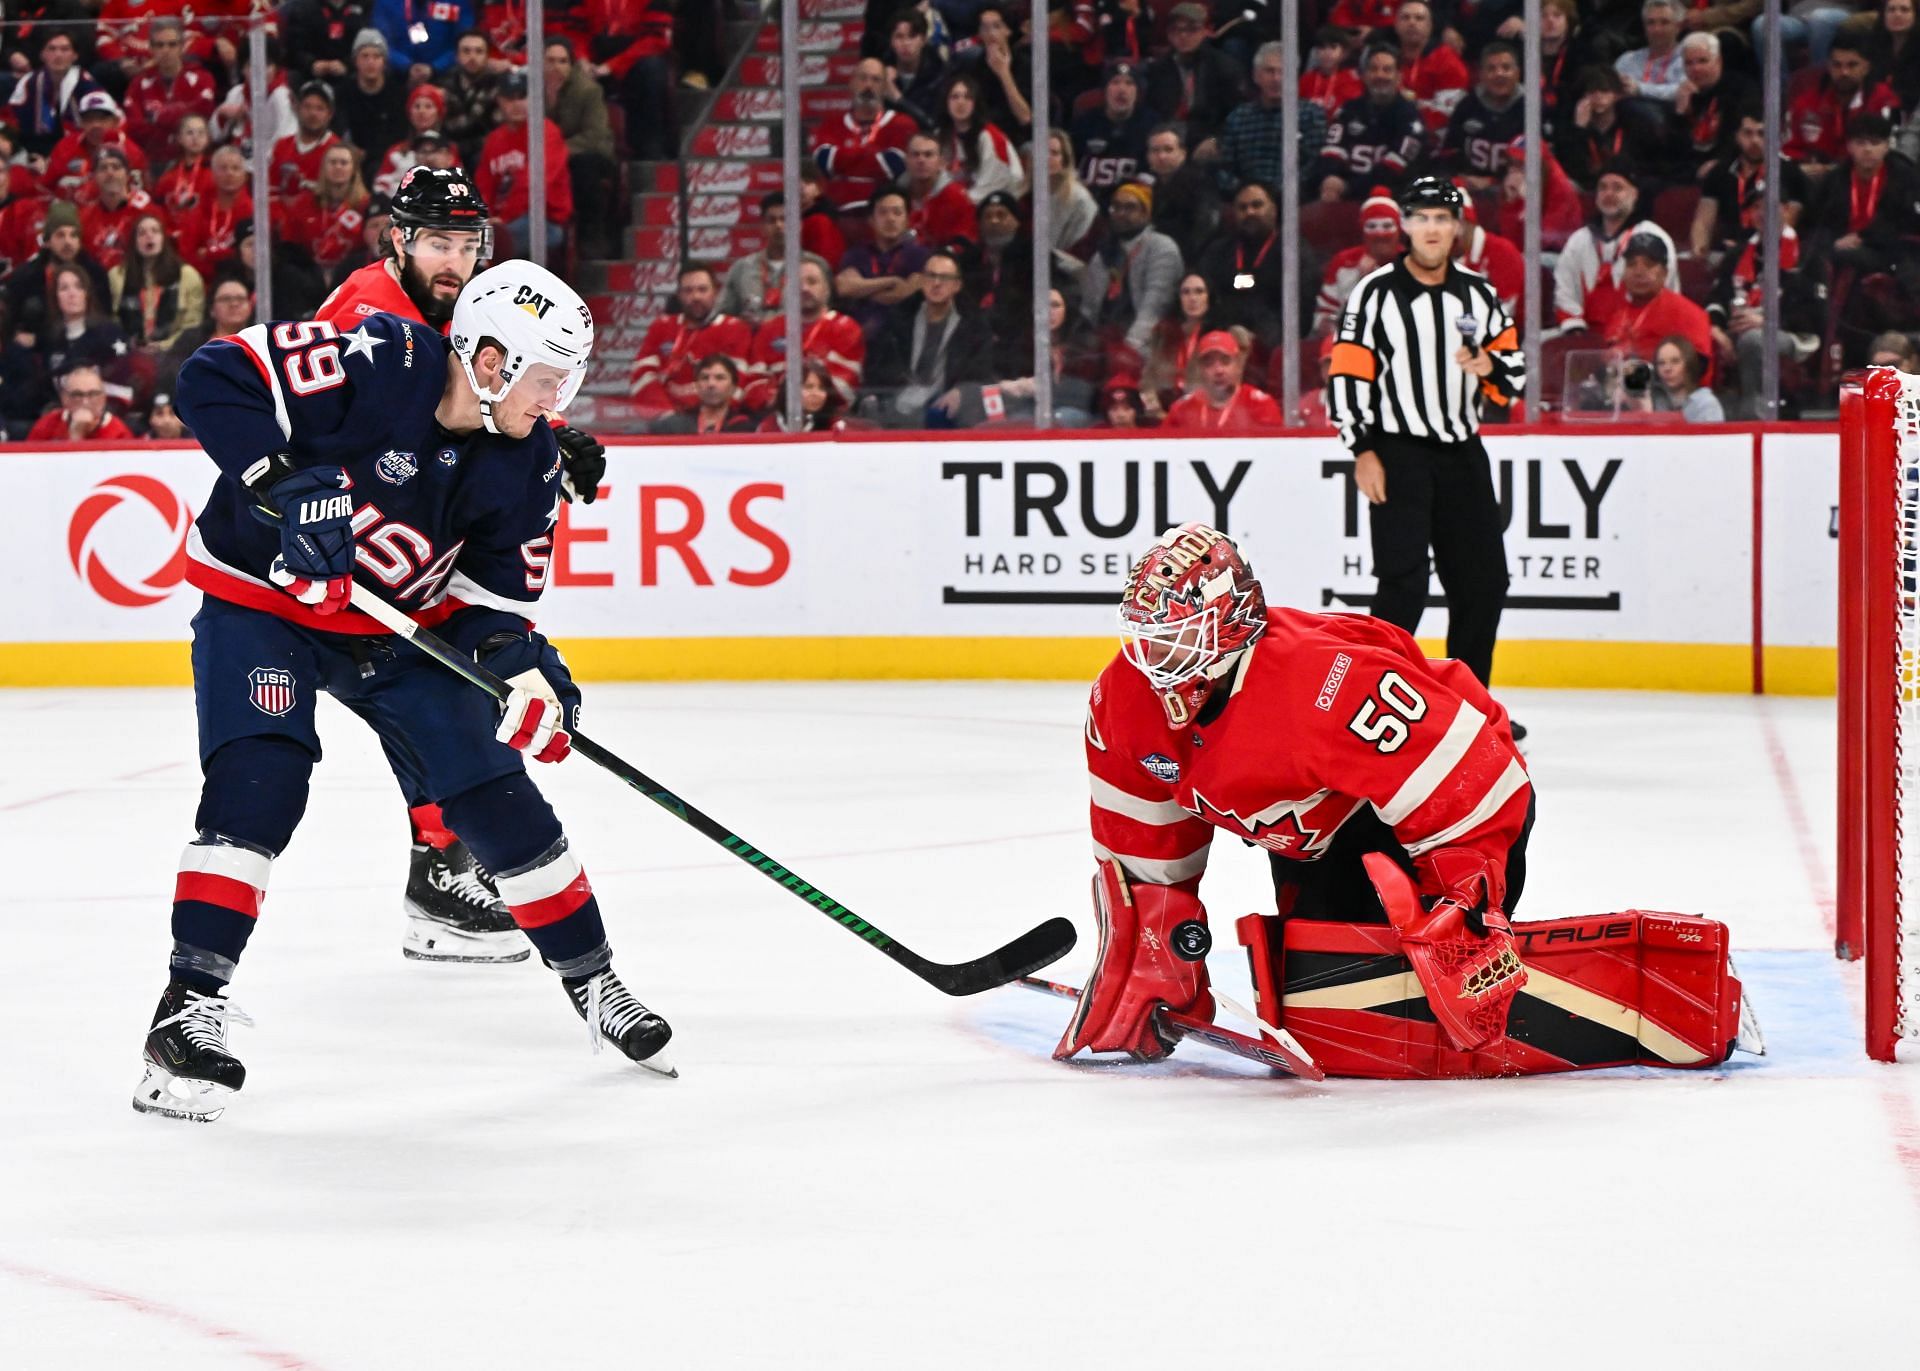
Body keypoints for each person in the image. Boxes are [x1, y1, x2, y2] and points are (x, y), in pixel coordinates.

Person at [130, 258, 671, 1124]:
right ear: (489, 362)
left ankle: (596, 984)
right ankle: (185, 1012)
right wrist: (276, 480)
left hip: (394, 628)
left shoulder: (528, 464)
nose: (558, 397)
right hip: (265, 601)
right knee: (262, 778)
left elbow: (488, 608)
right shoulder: (377, 359)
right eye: (547, 376)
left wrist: (519, 666)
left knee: (497, 792)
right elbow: (215, 373)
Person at [1060, 522, 1748, 1075]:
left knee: (1422, 978)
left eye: (1178, 638)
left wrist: (1466, 899)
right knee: (1323, 997)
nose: (1156, 660)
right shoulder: (1124, 700)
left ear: (1233, 626)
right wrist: (1153, 933)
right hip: (1316, 839)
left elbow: (1477, 776)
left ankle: (1489, 940)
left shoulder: (1323, 684)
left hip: (1443, 818)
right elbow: (1139, 843)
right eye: (1149, 638)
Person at [316, 165, 608, 959]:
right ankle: (442, 872)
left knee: (453, 684)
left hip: (407, 544)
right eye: (438, 241)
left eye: (468, 242)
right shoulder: (367, 311)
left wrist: (547, 435)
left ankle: (445, 861)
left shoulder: (463, 308)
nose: (456, 259)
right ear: (399, 241)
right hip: (339, 551)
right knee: (432, 692)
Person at [1327, 176, 1523, 699]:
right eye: (1422, 218)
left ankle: (1470, 702)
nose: (1432, 228)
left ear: (1457, 227)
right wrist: (1362, 449)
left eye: (1442, 218)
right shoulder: (1373, 293)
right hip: (1397, 450)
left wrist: (1488, 367)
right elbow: (1348, 375)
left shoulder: (1479, 294)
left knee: (1483, 583)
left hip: (1462, 451)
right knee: (1403, 584)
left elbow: (1513, 378)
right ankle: (1366, 702)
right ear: (1406, 226)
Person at [863, 246, 993, 426]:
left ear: (957, 286)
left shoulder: (973, 325)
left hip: (946, 409)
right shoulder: (899, 318)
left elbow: (982, 372)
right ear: (922, 280)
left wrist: (962, 391)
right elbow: (877, 367)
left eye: (945, 278)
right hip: (897, 400)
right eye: (931, 276)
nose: (937, 283)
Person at [1553, 162, 1675, 337]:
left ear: (1635, 194)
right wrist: (1575, 328)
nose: (1608, 194)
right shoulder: (1579, 240)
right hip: (1584, 336)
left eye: (1618, 188)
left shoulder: (1654, 237)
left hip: (1637, 335)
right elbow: (1564, 290)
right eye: (1603, 188)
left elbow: (1666, 291)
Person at [629, 263, 755, 421]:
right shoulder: (661, 327)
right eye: (688, 291)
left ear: (715, 292)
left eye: (702, 290)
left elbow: (737, 382)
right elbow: (642, 375)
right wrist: (666, 415)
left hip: (716, 421)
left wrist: (708, 417)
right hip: (666, 419)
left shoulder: (735, 329)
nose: (695, 297)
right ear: (679, 295)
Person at [742, 258, 865, 412]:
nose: (804, 288)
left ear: (826, 289)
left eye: (812, 282)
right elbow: (753, 383)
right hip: (775, 418)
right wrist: (780, 403)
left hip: (824, 420)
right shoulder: (769, 329)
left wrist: (794, 400)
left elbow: (844, 388)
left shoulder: (846, 328)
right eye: (797, 284)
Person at [475, 69, 572, 262]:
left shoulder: (546, 132)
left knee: (491, 246)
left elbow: (535, 184)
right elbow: (484, 187)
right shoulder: (494, 140)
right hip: (501, 222)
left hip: (544, 222)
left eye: (522, 97)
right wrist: (485, 218)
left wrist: (502, 221)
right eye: (510, 98)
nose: (517, 104)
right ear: (500, 101)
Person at [1692, 106, 1809, 261]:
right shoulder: (1720, 172)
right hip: (1728, 252)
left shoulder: (1790, 173)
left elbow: (1784, 224)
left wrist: (1746, 249)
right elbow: (1703, 222)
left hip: (1772, 255)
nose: (1754, 140)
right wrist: (1700, 251)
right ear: (1737, 136)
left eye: (1762, 134)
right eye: (1747, 133)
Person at [1080, 181, 1181, 358]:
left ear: (1146, 212)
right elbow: (1088, 311)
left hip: (1145, 346)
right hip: (1103, 344)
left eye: (1129, 208)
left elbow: (1154, 309)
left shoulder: (1162, 248)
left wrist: (1127, 350)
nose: (1120, 213)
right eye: (1116, 207)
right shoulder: (1103, 254)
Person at [1212, 41, 1327, 195]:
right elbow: (1224, 167)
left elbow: (1312, 167)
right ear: (1255, 76)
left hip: (1293, 201)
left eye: (1283, 72)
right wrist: (1247, 191)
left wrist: (1275, 193)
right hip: (1244, 199)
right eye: (1269, 71)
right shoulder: (1238, 117)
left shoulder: (1312, 115)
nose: (1276, 79)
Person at [1783, 30, 1903, 178]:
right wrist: (1803, 165)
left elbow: (1891, 154)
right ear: (1828, 66)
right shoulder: (1806, 103)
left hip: (1867, 180)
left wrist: (1835, 171)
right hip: (1813, 182)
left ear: (1867, 67)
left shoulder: (1884, 101)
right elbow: (1787, 150)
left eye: (1852, 65)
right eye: (1837, 65)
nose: (1844, 72)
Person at [1314, 44, 1425, 201]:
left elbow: (1393, 171)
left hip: (1391, 201)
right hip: (1341, 197)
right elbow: (1331, 151)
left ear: (1399, 76)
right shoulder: (1348, 110)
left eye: (1387, 70)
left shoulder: (1410, 118)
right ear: (1364, 75)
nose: (1380, 75)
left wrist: (1348, 187)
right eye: (1373, 69)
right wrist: (1330, 179)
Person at [1600, 233, 1715, 381]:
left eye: (1648, 265)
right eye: (1631, 264)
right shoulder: (1616, 312)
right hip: (1622, 392)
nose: (1638, 272)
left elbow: (1696, 367)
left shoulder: (1688, 312)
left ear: (1665, 273)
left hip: (1672, 396)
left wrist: (1640, 355)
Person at [811, 57, 918, 213]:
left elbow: (894, 165)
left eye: (876, 80)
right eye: (863, 78)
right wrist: (873, 155)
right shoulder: (832, 124)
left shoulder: (902, 124)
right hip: (838, 213)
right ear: (852, 83)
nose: (868, 85)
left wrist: (843, 161)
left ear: (885, 87)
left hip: (886, 214)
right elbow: (823, 161)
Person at [544, 39, 618, 261]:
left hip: (588, 153)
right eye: (550, 61)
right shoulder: (531, 89)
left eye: (562, 61)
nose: (556, 67)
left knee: (584, 168)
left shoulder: (589, 91)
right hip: (545, 155)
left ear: (571, 64)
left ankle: (592, 235)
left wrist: (557, 152)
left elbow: (595, 135)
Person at [1196, 180, 1285, 352]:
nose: (1249, 212)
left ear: (1273, 210)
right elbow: (1207, 297)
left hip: (1274, 344)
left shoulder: (1292, 252)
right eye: (1242, 208)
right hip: (1221, 339)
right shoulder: (1218, 251)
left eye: (1257, 205)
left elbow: (1299, 308)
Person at [717, 193, 831, 325]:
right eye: (771, 220)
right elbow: (723, 317)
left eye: (785, 219)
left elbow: (827, 314)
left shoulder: (816, 266)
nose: (778, 226)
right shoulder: (742, 268)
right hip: (752, 341)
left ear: (799, 225)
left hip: (802, 342)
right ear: (762, 227)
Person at [835, 187, 931, 341]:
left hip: (904, 337)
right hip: (858, 335)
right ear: (871, 220)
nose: (890, 219)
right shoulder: (856, 254)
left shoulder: (920, 255)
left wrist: (864, 289)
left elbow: (905, 292)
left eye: (897, 212)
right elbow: (844, 287)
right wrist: (892, 281)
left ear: (907, 220)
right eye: (883, 212)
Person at [1144, 3, 1246, 147]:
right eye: (1176, 30)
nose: (1183, 35)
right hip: (1166, 137)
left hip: (1207, 136)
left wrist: (1215, 140)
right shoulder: (1158, 69)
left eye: (1191, 29)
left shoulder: (1224, 67)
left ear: (1205, 31)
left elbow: (1235, 115)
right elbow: (1152, 112)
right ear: (1168, 34)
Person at [122, 17, 217, 167]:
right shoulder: (138, 84)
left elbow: (203, 112)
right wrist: (181, 116)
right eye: (159, 45)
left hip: (196, 161)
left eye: (172, 45)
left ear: (182, 46)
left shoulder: (202, 78)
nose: (166, 51)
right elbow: (135, 128)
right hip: (153, 161)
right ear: (151, 49)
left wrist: (158, 117)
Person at [1313, 187, 1404, 337]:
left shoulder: (1413, 262)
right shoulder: (1344, 262)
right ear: (1362, 229)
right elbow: (1324, 315)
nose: (1380, 234)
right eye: (1372, 226)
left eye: (1387, 226)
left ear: (1399, 228)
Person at [111, 211, 205, 351]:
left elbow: (192, 327)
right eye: (142, 233)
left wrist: (162, 346)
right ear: (134, 242)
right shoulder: (117, 276)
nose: (149, 236)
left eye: (155, 231)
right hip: (129, 353)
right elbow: (112, 322)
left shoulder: (188, 276)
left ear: (163, 239)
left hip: (175, 353)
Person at [281, 143, 374, 283]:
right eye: (333, 162)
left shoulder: (366, 205)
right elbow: (291, 245)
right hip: (310, 277)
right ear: (323, 168)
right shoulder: (304, 203)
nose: (338, 167)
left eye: (344, 163)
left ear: (354, 169)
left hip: (353, 275)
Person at [1440, 40, 1524, 187]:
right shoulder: (1467, 106)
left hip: (1519, 189)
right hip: (1469, 186)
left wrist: (1494, 182)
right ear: (1481, 75)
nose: (1499, 74)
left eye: (1506, 68)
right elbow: (1449, 151)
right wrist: (1460, 178)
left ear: (1518, 73)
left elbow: (1542, 165)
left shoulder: (1532, 108)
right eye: (1491, 69)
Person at [1162, 330, 1284, 432]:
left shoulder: (1260, 406)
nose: (1218, 370)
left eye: (1225, 361)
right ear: (1200, 369)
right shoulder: (1181, 410)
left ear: (1238, 365)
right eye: (1209, 363)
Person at [1070, 60, 1154, 207]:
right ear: (1105, 90)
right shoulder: (1084, 123)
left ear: (1138, 92)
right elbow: (1071, 165)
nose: (1122, 89)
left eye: (1129, 83)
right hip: (1087, 201)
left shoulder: (1151, 125)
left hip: (1131, 202)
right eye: (1115, 82)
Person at [7, 30, 102, 158]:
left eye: (65, 49)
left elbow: (101, 123)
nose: (58, 55)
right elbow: (11, 119)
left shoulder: (86, 83)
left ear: (75, 55)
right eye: (51, 49)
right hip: (33, 152)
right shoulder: (29, 82)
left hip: (78, 152)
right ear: (42, 54)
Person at [934, 71, 1022, 205]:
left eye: (967, 97)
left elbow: (989, 187)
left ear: (976, 103)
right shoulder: (941, 135)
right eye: (955, 97)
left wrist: (956, 204)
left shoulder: (990, 137)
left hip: (997, 205)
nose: (961, 103)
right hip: (962, 202)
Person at [1674, 32, 1754, 179]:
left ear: (1718, 61)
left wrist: (1722, 162)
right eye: (1689, 63)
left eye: (1702, 61)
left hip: (1727, 165)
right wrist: (1680, 114)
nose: (1695, 68)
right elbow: (1675, 150)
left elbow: (1745, 134)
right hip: (1690, 168)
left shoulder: (1741, 89)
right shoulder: (1685, 93)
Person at [1143, 271, 1216, 414]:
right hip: (1164, 417)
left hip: (1206, 416)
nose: (1192, 298)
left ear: (1209, 297)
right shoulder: (1163, 334)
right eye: (1186, 292)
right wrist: (1156, 411)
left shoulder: (1221, 336)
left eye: (1199, 292)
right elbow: (1147, 383)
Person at [337, 28, 410, 165]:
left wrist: (371, 153)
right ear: (355, 61)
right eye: (365, 56)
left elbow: (399, 133)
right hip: (350, 157)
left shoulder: (397, 92)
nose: (370, 62)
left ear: (384, 62)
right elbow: (339, 127)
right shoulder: (344, 91)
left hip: (387, 158)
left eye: (376, 57)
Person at [1393, 0, 1468, 133]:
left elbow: (1447, 114)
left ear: (1430, 26)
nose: (1412, 23)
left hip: (1433, 139)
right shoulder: (1386, 59)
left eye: (1419, 18)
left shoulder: (1448, 61)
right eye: (1406, 17)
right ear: (1396, 25)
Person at [1142, 122, 1217, 251]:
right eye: (1155, 151)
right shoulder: (1148, 187)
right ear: (1148, 156)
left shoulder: (1200, 184)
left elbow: (1204, 228)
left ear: (1182, 154)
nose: (1161, 156)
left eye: (1168, 150)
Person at [77, 145, 154, 271]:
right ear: (94, 176)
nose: (110, 173)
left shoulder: (146, 212)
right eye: (103, 168)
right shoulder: (84, 217)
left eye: (116, 167)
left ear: (128, 174)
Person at [901, 130, 978, 249]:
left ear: (941, 162)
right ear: (906, 160)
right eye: (915, 154)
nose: (921, 160)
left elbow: (965, 244)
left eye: (928, 155)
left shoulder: (958, 198)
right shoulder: (894, 195)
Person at [271, 81, 342, 206]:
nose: (313, 113)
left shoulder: (338, 151)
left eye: (320, 108)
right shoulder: (281, 146)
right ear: (297, 108)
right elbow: (271, 191)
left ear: (329, 114)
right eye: (307, 107)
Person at [438, 27, 500, 166]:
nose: (472, 57)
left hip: (486, 153)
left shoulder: (498, 85)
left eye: (479, 51)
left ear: (487, 56)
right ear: (457, 56)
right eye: (466, 51)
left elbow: (497, 130)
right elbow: (447, 127)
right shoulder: (444, 84)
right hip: (448, 152)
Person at [27, 362, 135, 441]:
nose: (85, 402)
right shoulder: (47, 425)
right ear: (64, 399)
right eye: (78, 395)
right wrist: (75, 434)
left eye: (93, 394)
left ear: (103, 398)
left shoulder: (119, 433)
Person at [652, 354, 754, 434]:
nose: (711, 384)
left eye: (720, 378)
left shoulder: (746, 428)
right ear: (696, 385)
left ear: (733, 387)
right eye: (705, 378)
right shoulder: (673, 425)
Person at [1614, 0, 1687, 108]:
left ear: (1679, 27)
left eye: (1664, 22)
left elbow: (1682, 90)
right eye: (1651, 23)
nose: (1657, 29)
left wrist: (1640, 89)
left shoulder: (1689, 58)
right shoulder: (1627, 60)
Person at [1038, 128, 1098, 258]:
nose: (1047, 158)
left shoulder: (1080, 199)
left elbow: (1079, 248)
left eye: (1054, 153)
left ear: (1064, 160)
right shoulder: (1024, 194)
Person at [884, 6, 947, 126]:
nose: (906, 43)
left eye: (912, 36)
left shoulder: (939, 75)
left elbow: (932, 125)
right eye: (899, 36)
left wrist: (898, 98)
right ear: (891, 41)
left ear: (923, 40)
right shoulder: (880, 73)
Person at [154, 113, 215, 223]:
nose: (195, 137)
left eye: (201, 133)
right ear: (179, 138)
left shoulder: (214, 173)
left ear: (208, 139)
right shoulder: (168, 176)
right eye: (189, 132)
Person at [1652, 334, 1723, 421]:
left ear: (1689, 365)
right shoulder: (1654, 399)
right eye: (1661, 363)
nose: (1667, 368)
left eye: (1675, 361)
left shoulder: (1705, 404)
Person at [1300, 25, 1362, 119]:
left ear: (1344, 53)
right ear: (1315, 52)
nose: (1327, 53)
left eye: (1333, 47)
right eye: (1322, 47)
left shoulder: (1351, 80)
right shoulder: (1305, 80)